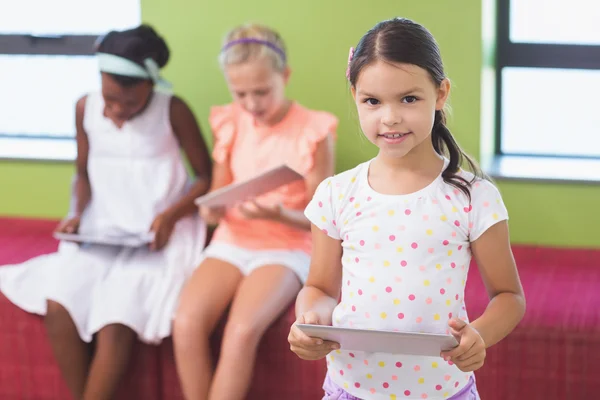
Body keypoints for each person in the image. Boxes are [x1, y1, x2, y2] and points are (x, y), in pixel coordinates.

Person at [288, 17, 526, 400]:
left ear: (441, 93)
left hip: (443, 391)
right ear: (355, 97)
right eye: (373, 101)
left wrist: (478, 336)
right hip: (350, 389)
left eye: (409, 99)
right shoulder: (336, 194)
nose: (391, 117)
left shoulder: (474, 197)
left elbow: (509, 296)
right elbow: (318, 287)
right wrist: (310, 320)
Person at [0, 25, 211, 400]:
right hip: (101, 230)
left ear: (150, 84)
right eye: (110, 98)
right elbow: (83, 173)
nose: (116, 110)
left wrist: (170, 216)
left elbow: (204, 177)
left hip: (155, 238)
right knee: (58, 305)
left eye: (129, 103)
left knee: (116, 321)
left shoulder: (172, 109)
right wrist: (77, 213)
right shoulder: (85, 106)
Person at [173, 23, 337, 400]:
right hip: (233, 239)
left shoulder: (315, 130)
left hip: (288, 245)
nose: (251, 104)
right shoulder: (230, 122)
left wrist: (279, 215)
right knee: (185, 323)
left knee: (241, 330)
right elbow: (218, 193)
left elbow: (322, 219)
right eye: (240, 93)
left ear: (285, 76)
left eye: (261, 92)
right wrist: (211, 212)